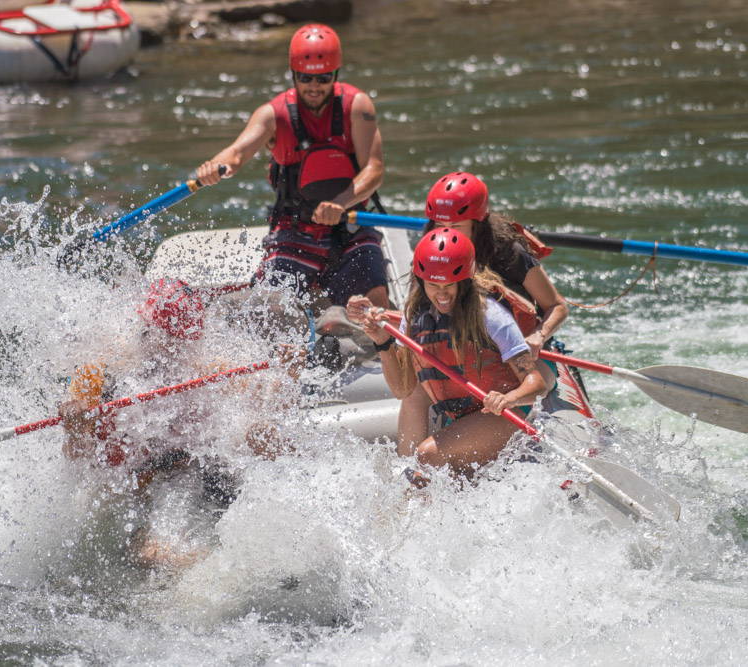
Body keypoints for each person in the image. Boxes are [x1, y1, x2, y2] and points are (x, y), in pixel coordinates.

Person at [59, 280, 307, 570]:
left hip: (184, 480)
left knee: (259, 435)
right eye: (168, 339)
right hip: (126, 493)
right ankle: (226, 569)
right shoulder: (99, 376)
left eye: (184, 343)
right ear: (145, 329)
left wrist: (289, 375)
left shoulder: (200, 367)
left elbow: (260, 405)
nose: (174, 353)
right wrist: (74, 430)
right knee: (149, 554)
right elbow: (77, 463)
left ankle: (272, 542)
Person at [347, 171, 568, 456]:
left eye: (456, 225)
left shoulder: (507, 257)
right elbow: (421, 314)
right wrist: (375, 317)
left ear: (478, 223)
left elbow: (557, 306)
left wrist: (538, 336)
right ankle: (406, 468)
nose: (446, 232)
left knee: (527, 382)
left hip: (520, 353)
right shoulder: (433, 256)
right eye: (439, 224)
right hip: (465, 349)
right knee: (414, 392)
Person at [196, 23, 390, 311]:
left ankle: (355, 331)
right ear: (293, 75)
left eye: (323, 78)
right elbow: (236, 154)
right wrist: (216, 166)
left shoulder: (358, 107)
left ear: (335, 75)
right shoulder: (272, 114)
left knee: (375, 301)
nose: (314, 86)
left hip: (351, 225)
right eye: (305, 78)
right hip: (294, 230)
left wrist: (339, 204)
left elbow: (374, 169)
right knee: (272, 309)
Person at [357, 228, 552, 480]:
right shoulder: (414, 318)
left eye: (450, 286)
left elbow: (536, 383)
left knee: (427, 455)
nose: (442, 294)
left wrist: (510, 398)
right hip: (464, 419)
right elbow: (401, 389)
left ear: (466, 281)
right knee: (416, 467)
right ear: (420, 280)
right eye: (433, 285)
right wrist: (382, 343)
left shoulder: (491, 317)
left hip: (503, 416)